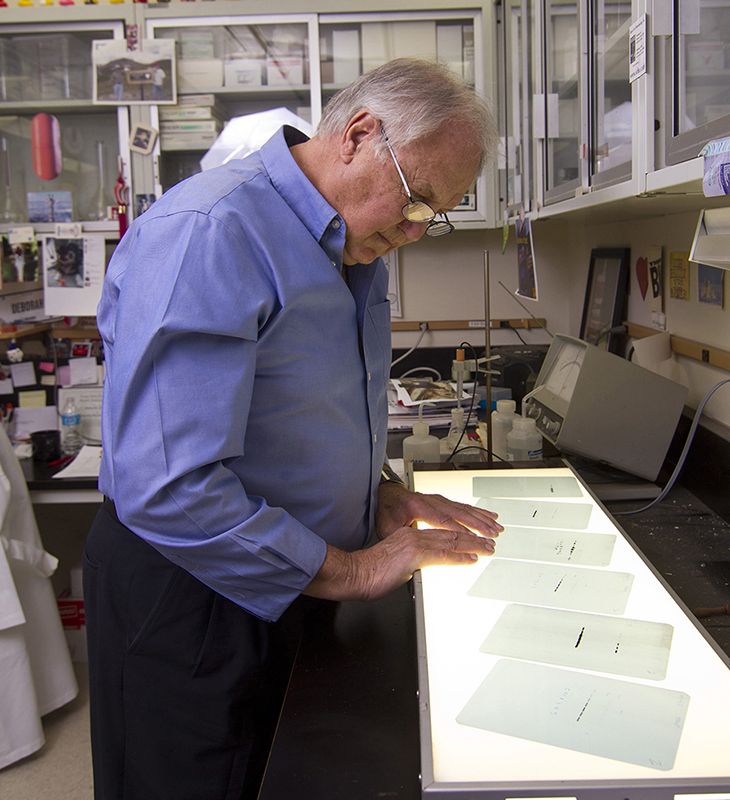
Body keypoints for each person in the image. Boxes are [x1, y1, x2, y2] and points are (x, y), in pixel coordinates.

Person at [84, 57, 503, 800]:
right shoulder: (210, 234)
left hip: (287, 576)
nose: (414, 229)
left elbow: (297, 412)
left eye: (434, 215)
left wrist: (374, 495)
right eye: (416, 199)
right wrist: (357, 569)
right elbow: (170, 486)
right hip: (193, 596)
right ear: (359, 135)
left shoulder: (349, 248)